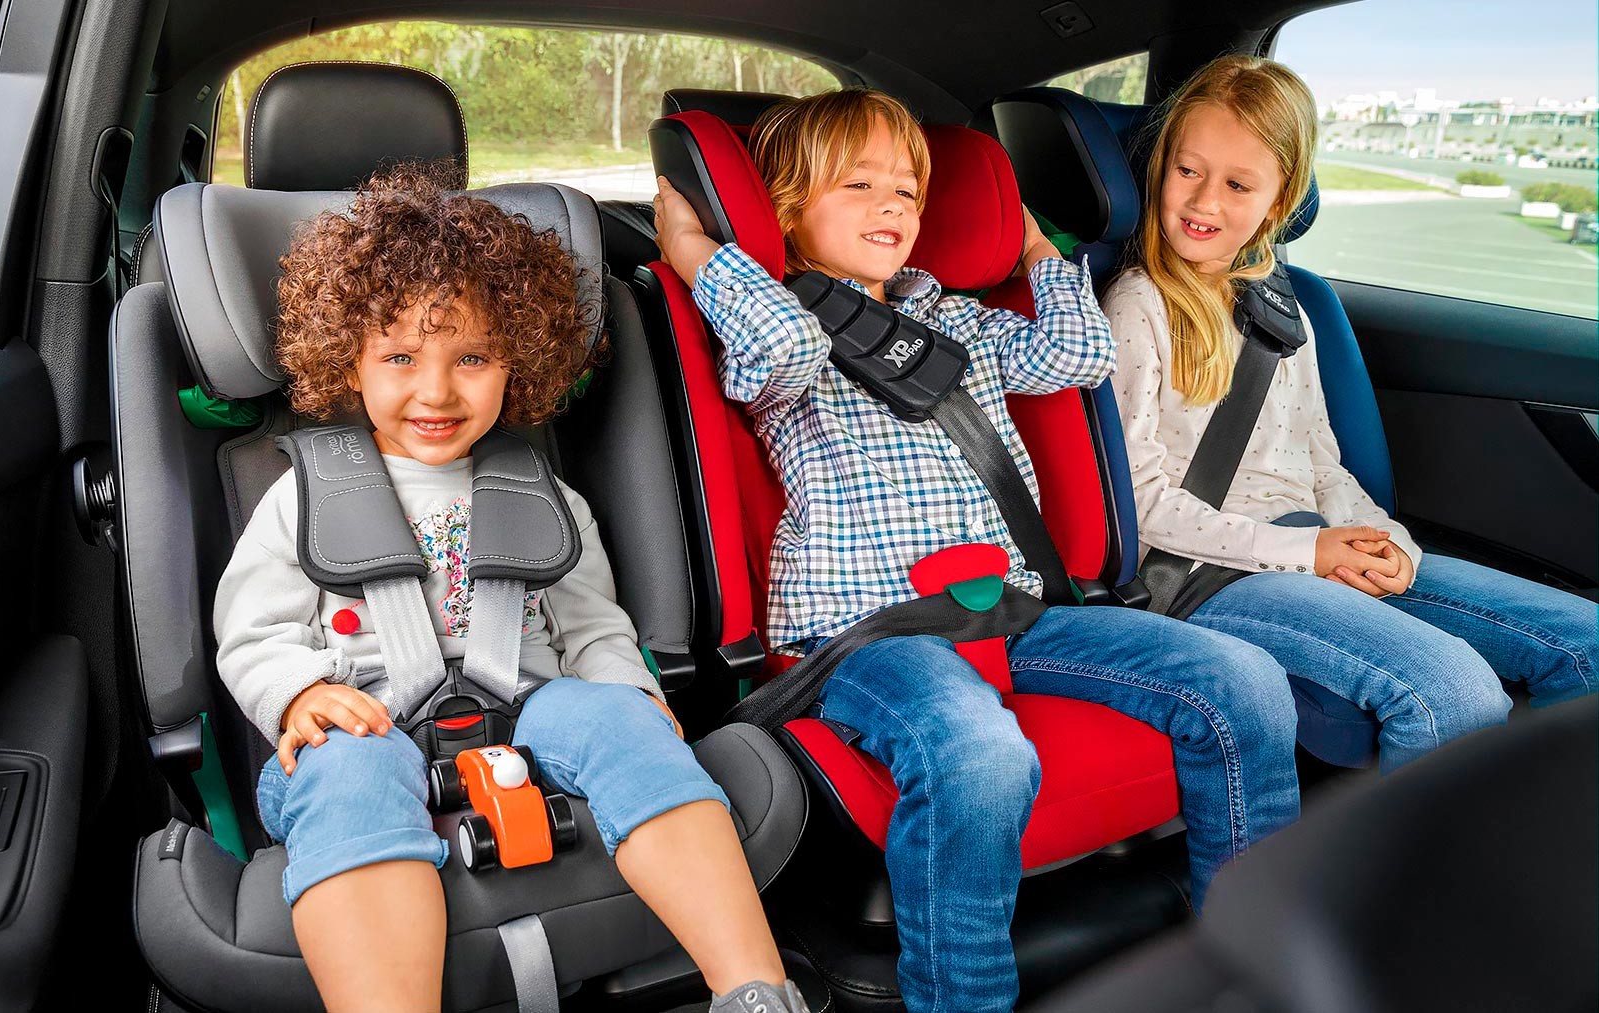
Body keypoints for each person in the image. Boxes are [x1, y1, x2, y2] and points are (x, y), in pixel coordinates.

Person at [653, 88, 1301, 1013]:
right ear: (789, 210)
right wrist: (700, 249)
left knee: (1246, 680)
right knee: (983, 754)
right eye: (859, 185)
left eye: (908, 192)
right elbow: (785, 336)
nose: (891, 206)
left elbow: (1080, 355)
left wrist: (1031, 245)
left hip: (1014, 612)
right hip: (872, 637)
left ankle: (1253, 963)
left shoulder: (961, 322)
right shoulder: (775, 333)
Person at [214, 165, 806, 1013]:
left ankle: (753, 988)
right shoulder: (304, 497)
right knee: (346, 769)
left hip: (534, 716)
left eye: (472, 357)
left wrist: (631, 694)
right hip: (366, 724)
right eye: (400, 357)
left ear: (516, 362)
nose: (436, 390)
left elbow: (592, 625)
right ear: (351, 360)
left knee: (623, 725)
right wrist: (298, 693)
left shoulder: (546, 499)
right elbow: (253, 630)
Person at [1102, 54, 1596, 773]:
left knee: (1587, 643)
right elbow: (1138, 504)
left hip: (1311, 543)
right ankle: (1423, 853)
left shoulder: (1283, 308)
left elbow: (1321, 463)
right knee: (1452, 692)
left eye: (1237, 184)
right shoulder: (1138, 305)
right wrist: (1308, 553)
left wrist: (1389, 544)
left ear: (1278, 201)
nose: (1204, 200)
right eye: (1188, 170)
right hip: (1208, 573)